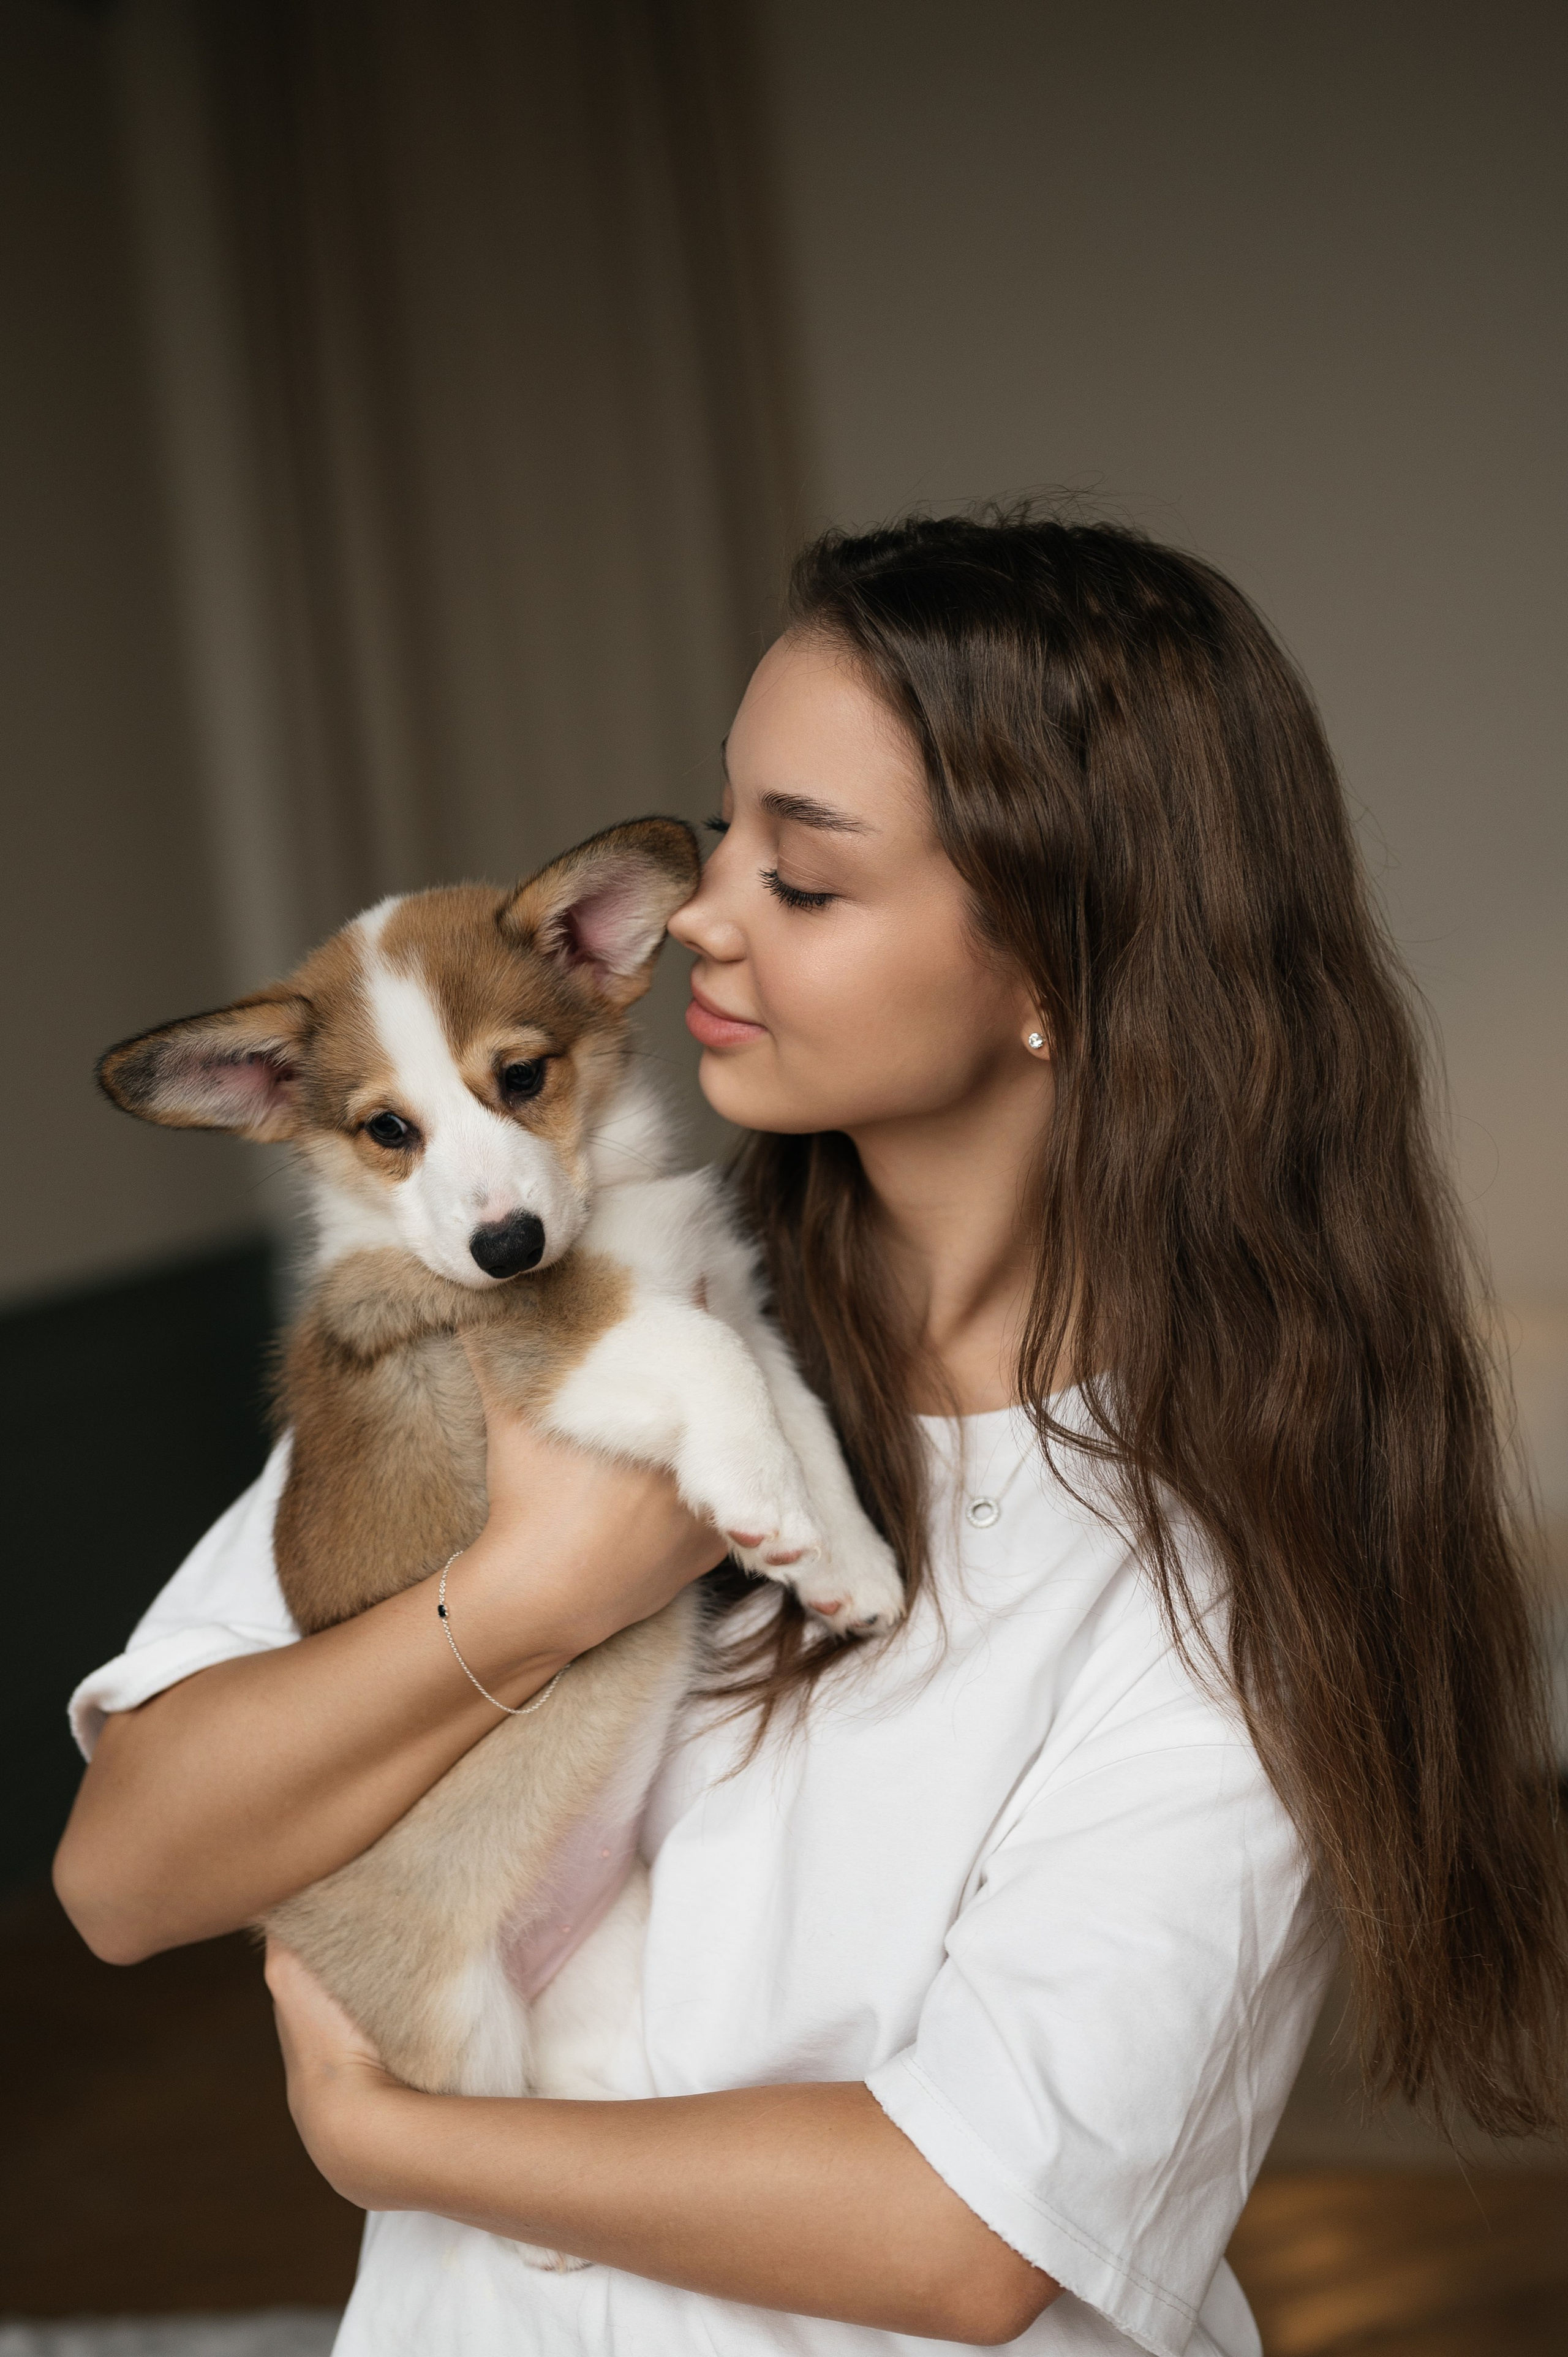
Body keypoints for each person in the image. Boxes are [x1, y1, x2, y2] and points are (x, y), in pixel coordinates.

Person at [55, 513, 1567, 2356]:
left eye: (811, 877)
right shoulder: (532, 1302)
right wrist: (526, 1595)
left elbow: (964, 2233)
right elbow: (123, 1877)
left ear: (1053, 971)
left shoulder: (1220, 1557)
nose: (693, 911)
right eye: (726, 827)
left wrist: (411, 2144)